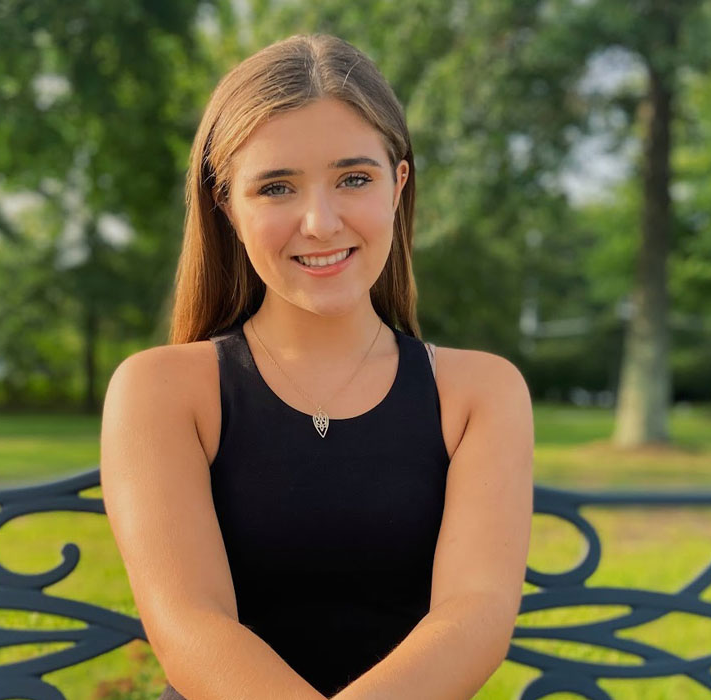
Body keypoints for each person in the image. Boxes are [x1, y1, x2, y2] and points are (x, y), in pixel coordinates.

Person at [100, 33, 534, 700]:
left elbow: (475, 615)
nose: (321, 222)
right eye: (276, 187)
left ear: (398, 184)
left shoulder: (479, 392)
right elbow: (191, 622)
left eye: (354, 178)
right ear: (226, 205)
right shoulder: (161, 390)